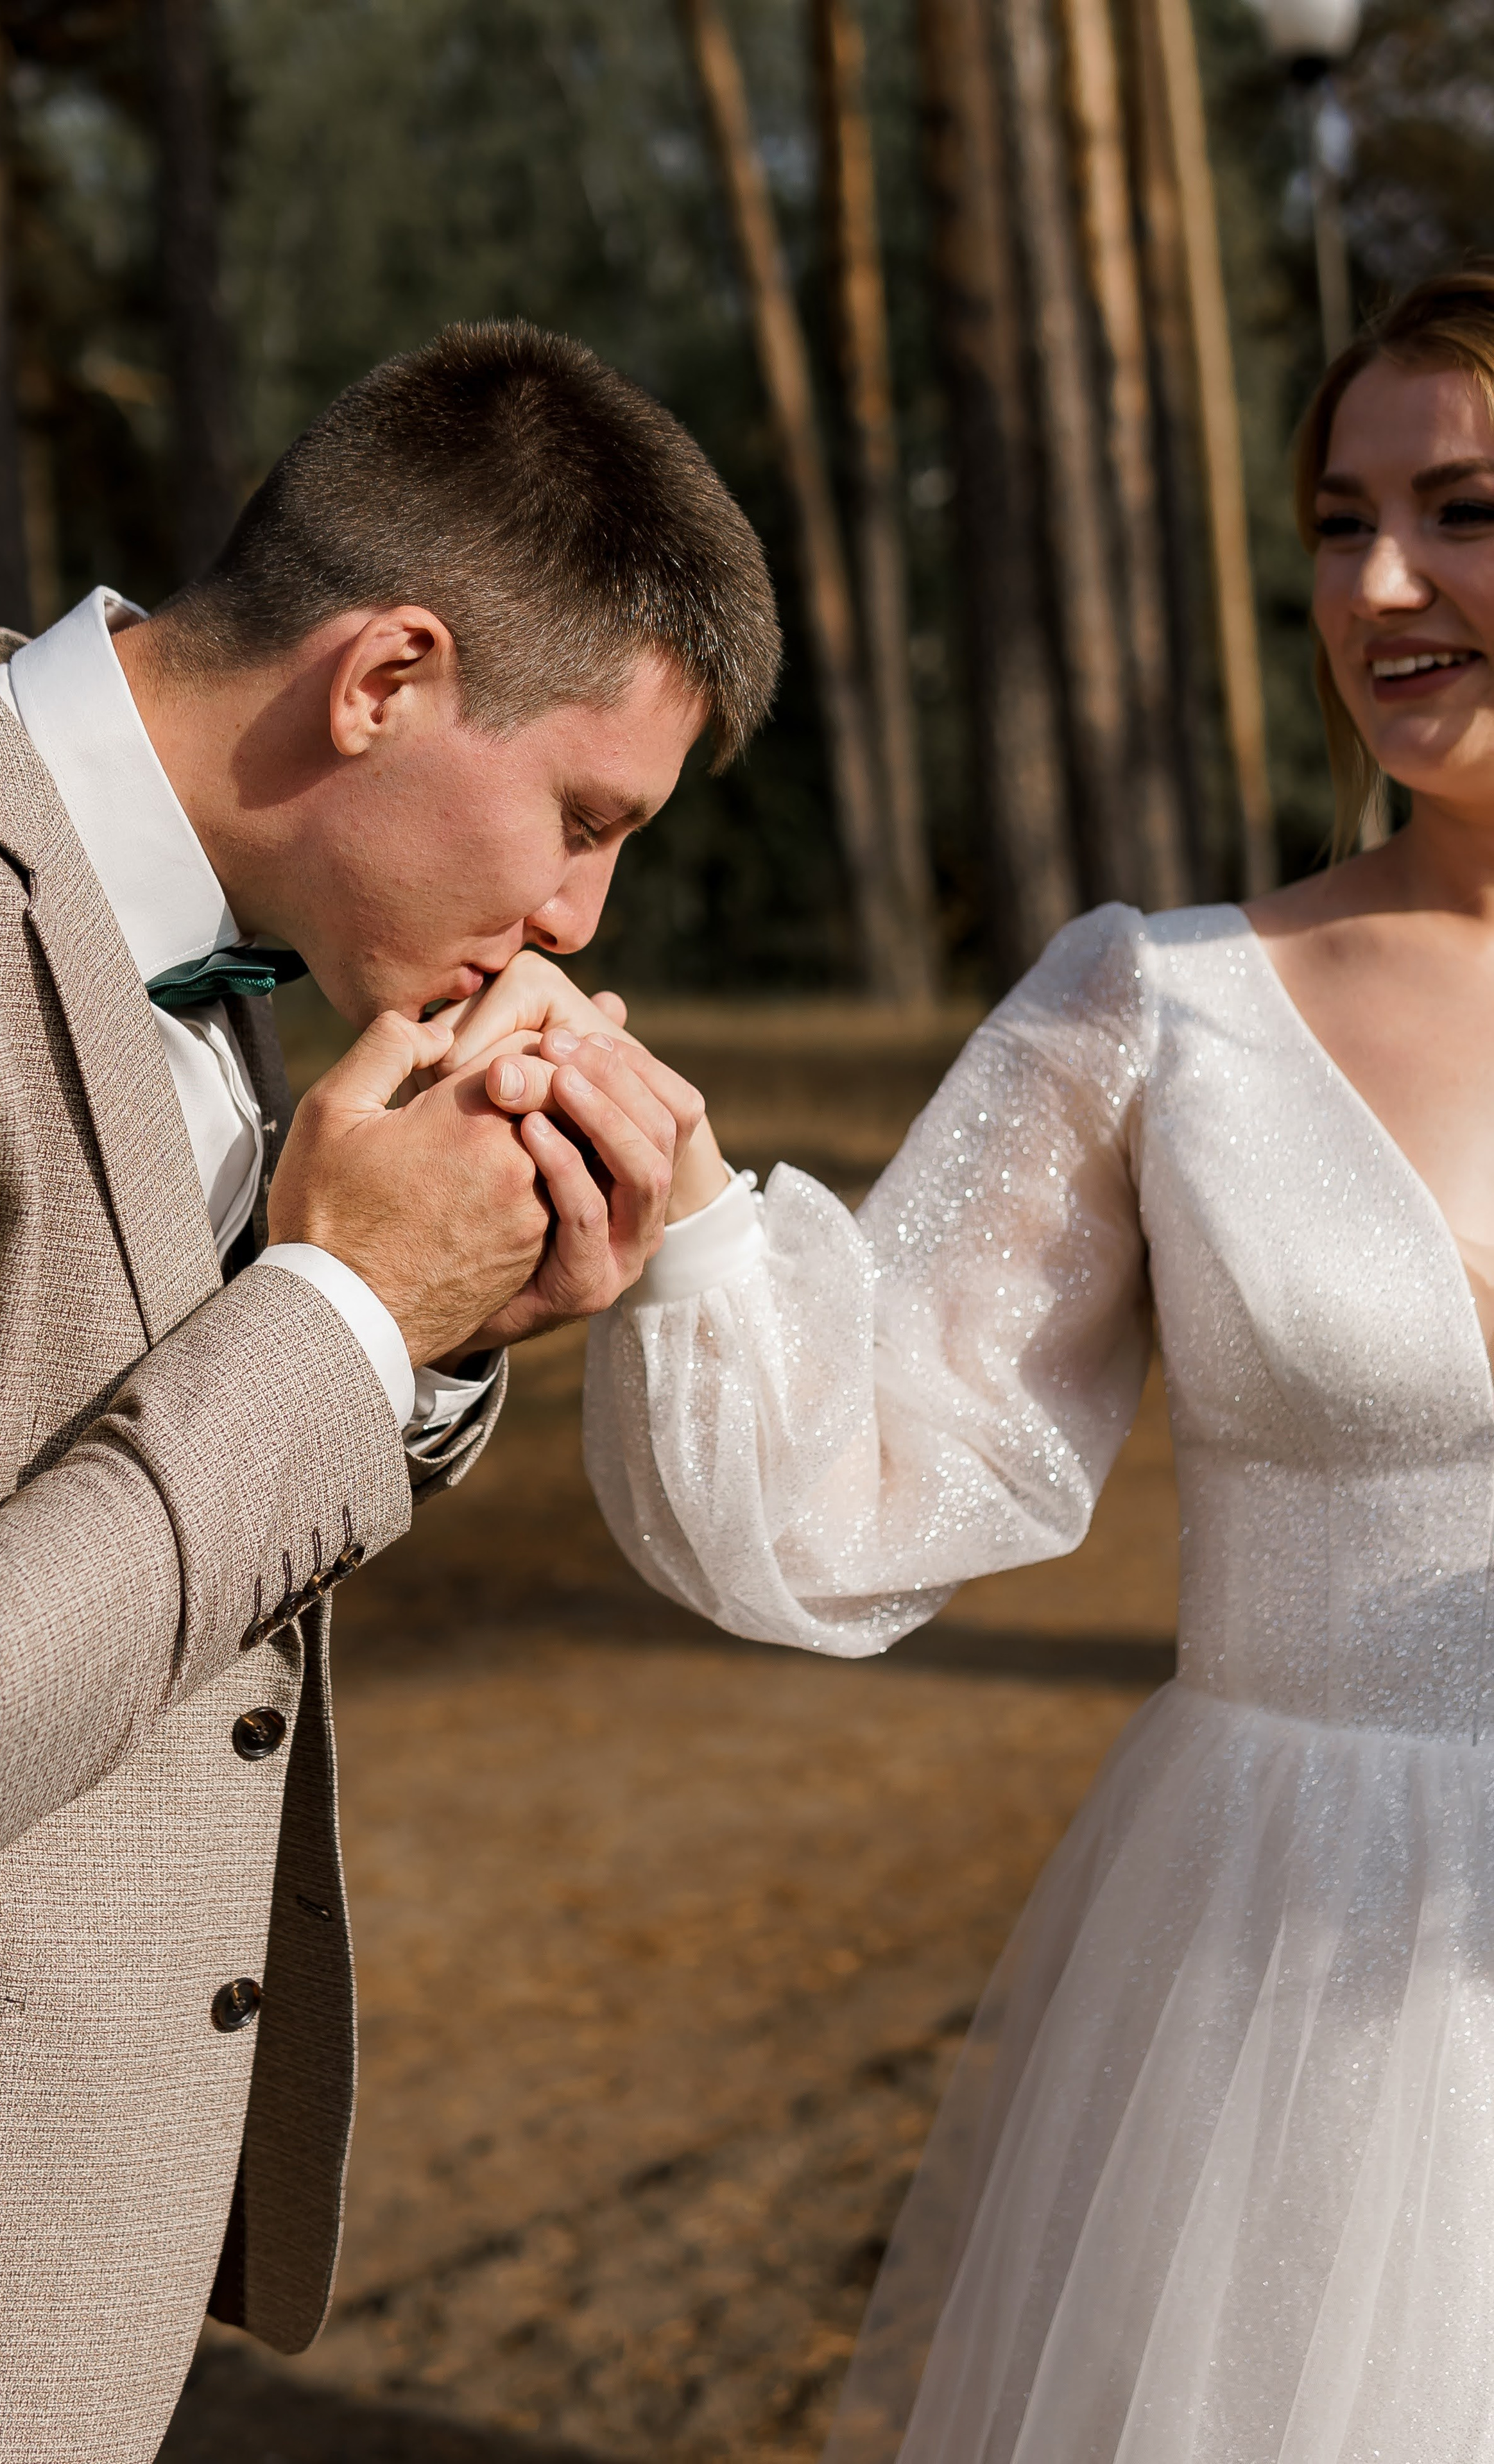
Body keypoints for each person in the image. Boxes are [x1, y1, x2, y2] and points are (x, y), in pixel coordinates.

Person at [452, 264, 1494, 2460]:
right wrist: (691, 1219)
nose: (1383, 581)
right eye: (1339, 519)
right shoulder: (1165, 1011)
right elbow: (860, 1472)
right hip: (1285, 1983)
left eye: (1466, 507)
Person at [0, 321, 779, 2461]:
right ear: (383, 680)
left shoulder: (196, 889)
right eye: (581, 816)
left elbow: (114, 1473)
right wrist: (346, 1312)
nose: (572, 915)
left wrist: (435, 1331)